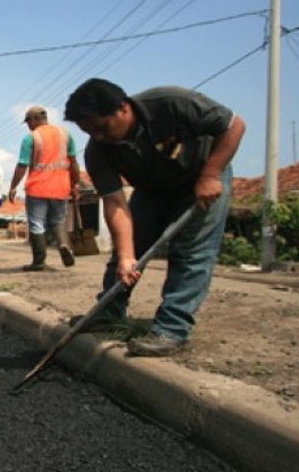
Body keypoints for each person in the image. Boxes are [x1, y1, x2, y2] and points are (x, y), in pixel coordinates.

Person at [64, 79, 245, 356]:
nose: (100, 137)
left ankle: (172, 329)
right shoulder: (98, 150)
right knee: (126, 252)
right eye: (91, 133)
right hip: (152, 189)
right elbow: (115, 202)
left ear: (123, 108)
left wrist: (211, 174)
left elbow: (234, 125)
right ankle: (107, 313)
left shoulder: (171, 102)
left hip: (201, 177)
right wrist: (126, 255)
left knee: (191, 253)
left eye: (102, 128)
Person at [7, 106, 80, 271]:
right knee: (58, 221)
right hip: (61, 188)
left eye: (28, 121)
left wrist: (13, 186)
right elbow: (74, 163)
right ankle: (63, 245)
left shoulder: (30, 138)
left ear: (34, 119)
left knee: (36, 224)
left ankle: (39, 262)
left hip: (37, 188)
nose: (28, 125)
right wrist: (75, 183)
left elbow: (22, 165)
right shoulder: (65, 134)